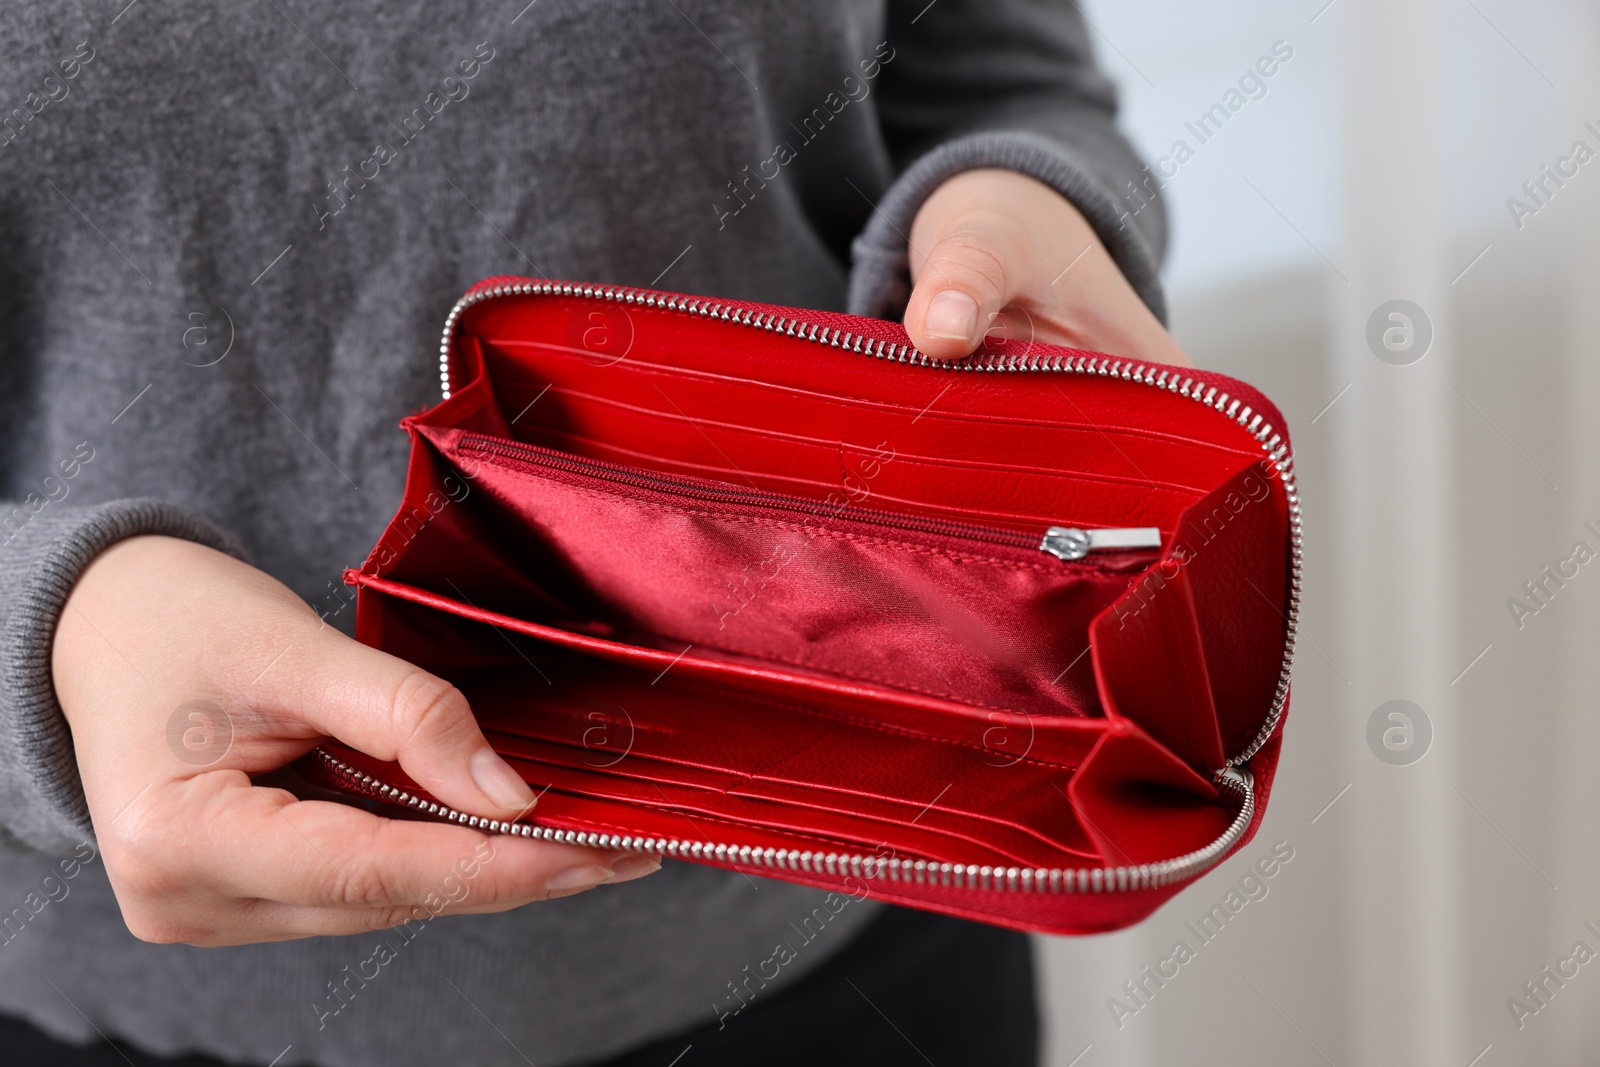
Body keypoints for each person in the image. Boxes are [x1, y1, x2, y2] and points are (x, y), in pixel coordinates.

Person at [0, 2, 1181, 1064]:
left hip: (874, 926)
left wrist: (1028, 202)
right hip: (117, 1003)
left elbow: (995, 78)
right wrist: (43, 634)